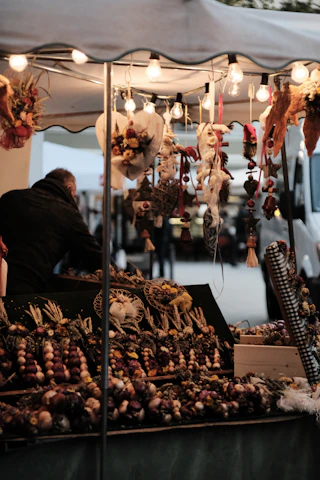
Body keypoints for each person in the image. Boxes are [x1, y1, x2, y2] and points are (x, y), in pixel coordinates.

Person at [0, 168, 102, 295]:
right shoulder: (68, 214)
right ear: (69, 188)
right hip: (26, 290)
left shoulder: (10, 197)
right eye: (74, 195)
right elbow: (94, 257)